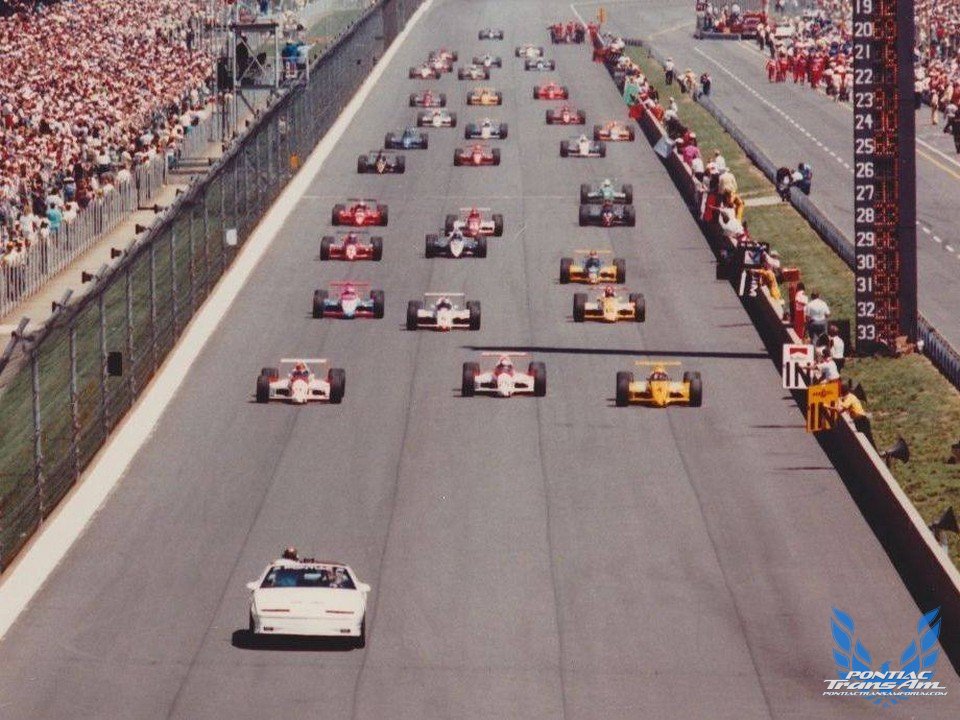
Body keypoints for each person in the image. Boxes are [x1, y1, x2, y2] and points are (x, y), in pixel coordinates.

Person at [835, 382, 875, 447]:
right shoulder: (850, 396)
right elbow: (842, 410)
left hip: (861, 420)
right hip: (859, 420)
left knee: (868, 438)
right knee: (867, 438)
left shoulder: (849, 399)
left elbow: (840, 410)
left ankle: (876, 453)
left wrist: (837, 401)